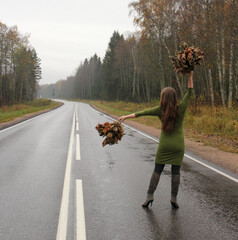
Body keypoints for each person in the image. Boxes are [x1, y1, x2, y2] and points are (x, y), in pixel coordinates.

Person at [119, 71, 194, 209]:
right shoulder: (180, 109)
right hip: (178, 146)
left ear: (163, 98)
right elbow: (189, 93)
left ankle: (149, 196)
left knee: (157, 170)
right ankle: (173, 198)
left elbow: (142, 113)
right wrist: (190, 76)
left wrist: (125, 116)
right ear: (175, 98)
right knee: (176, 172)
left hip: (165, 146)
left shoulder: (160, 110)